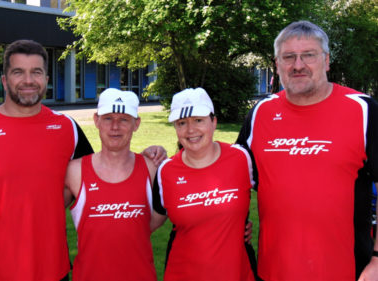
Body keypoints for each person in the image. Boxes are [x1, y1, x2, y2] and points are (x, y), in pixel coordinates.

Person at [237, 20, 378, 281]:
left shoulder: (363, 109)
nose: (298, 65)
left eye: (308, 55)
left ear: (326, 61)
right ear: (277, 64)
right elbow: (233, 175)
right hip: (273, 271)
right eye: (288, 57)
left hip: (347, 271)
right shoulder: (261, 112)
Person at [0, 39, 94, 281]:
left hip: (53, 269)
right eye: (18, 72)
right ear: (4, 80)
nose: (28, 81)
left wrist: (149, 157)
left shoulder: (67, 128)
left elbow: (95, 178)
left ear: (46, 80)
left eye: (36, 72)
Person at [152, 88, 256, 281]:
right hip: (182, 273)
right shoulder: (166, 171)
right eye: (182, 123)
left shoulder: (242, 158)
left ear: (213, 122)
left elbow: (278, 193)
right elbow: (146, 223)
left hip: (237, 273)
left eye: (198, 120)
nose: (191, 130)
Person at [65, 88, 158, 281]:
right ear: (96, 120)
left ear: (136, 124)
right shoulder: (74, 171)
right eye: (108, 118)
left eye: (124, 119)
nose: (115, 127)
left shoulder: (153, 169)